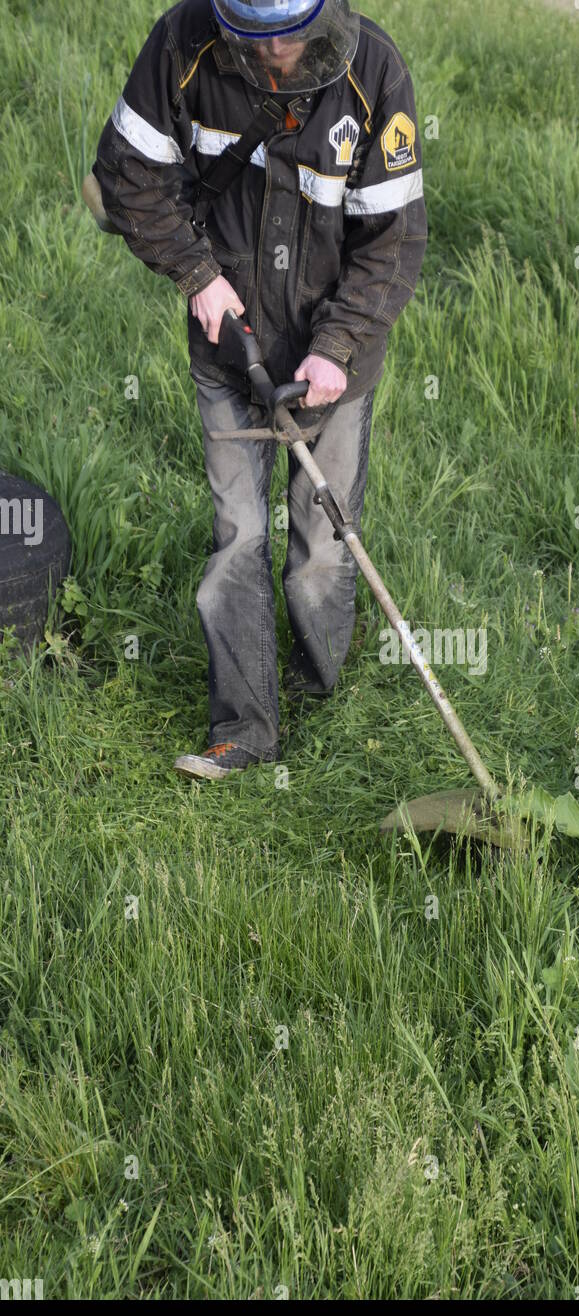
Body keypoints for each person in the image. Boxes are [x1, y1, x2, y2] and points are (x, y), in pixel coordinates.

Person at [94, 0, 427, 778]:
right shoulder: (182, 43)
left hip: (332, 366)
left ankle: (323, 696)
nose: (278, 51)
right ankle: (244, 729)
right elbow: (128, 177)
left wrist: (336, 350)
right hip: (227, 347)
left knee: (322, 540)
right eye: (259, 38)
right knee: (238, 536)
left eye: (292, 34)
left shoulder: (376, 73)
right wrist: (197, 275)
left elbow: (395, 243)